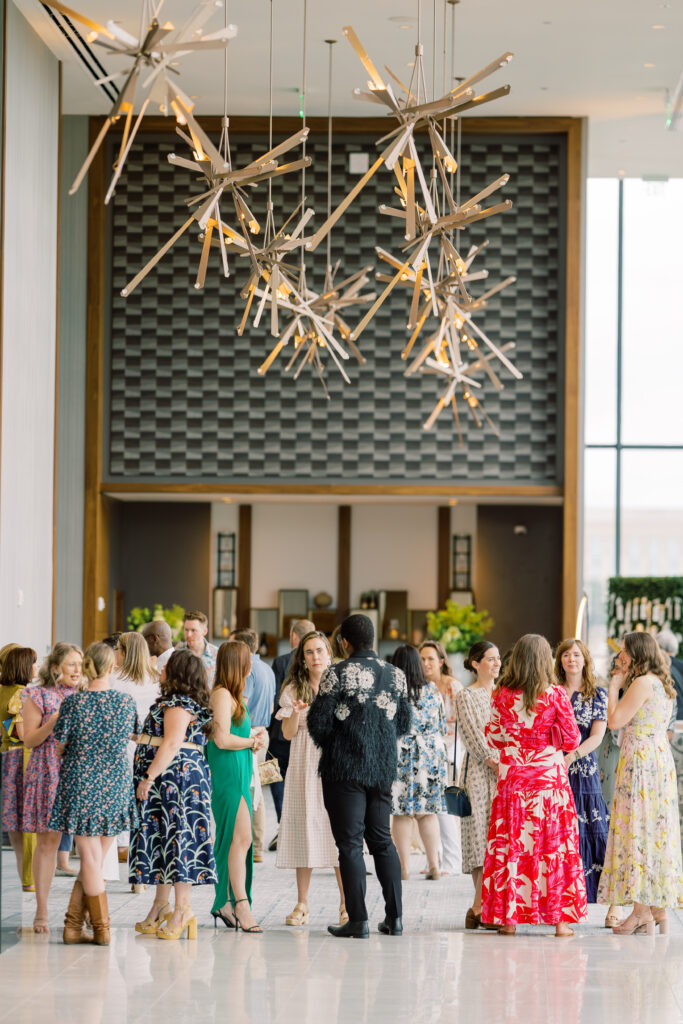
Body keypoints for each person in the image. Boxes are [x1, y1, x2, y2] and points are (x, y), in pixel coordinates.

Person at [307, 613, 411, 939]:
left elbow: (319, 724)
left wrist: (339, 742)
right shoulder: (395, 675)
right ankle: (394, 919)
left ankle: (358, 920)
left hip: (344, 769)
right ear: (373, 639)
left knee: (350, 845)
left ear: (344, 642)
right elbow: (404, 723)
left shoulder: (334, 674)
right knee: (382, 840)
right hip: (381, 768)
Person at [481, 634, 587, 936]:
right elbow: (572, 740)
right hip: (549, 781)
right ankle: (560, 922)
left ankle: (509, 920)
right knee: (553, 847)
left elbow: (494, 737)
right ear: (545, 660)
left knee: (513, 846)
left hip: (513, 779)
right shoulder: (555, 694)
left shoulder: (501, 693)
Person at [49, 642, 138, 945]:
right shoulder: (125, 702)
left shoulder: (73, 704)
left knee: (90, 859)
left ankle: (91, 928)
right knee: (95, 861)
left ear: (87, 666)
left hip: (80, 782)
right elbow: (130, 736)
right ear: (113, 667)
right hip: (115, 784)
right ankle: (86, 928)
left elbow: (59, 745)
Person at [597, 632, 683, 933]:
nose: (620, 655)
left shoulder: (642, 682)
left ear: (636, 654)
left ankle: (640, 912)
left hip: (641, 763)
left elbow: (615, 721)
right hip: (657, 759)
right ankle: (655, 911)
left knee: (637, 830)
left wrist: (613, 687)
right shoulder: (660, 683)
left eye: (624, 650)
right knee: (651, 829)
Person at [130, 650, 216, 940]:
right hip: (171, 782)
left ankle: (183, 910)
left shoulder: (179, 704)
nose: (161, 669)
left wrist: (148, 777)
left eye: (167, 666)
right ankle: (161, 904)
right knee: (163, 842)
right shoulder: (172, 702)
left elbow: (171, 743)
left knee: (179, 841)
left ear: (177, 673)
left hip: (176, 782)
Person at [275, 631, 346, 926]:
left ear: (329, 653)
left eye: (319, 651)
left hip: (335, 762)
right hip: (304, 762)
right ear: (302, 658)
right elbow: (288, 733)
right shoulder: (294, 688)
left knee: (340, 831)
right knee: (305, 827)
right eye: (309, 652)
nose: (315, 657)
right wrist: (295, 712)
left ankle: (346, 903)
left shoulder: (341, 685)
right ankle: (302, 902)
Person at [22, 642, 83, 933]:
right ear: (56, 667)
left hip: (75, 774)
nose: (77, 670)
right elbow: (30, 740)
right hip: (46, 773)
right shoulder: (37, 694)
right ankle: (42, 911)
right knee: (47, 843)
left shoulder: (83, 697)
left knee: (85, 844)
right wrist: (53, 722)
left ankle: (82, 915)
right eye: (71, 664)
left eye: (81, 665)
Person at [206, 641, 267, 934]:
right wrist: (251, 742)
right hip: (227, 774)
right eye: (248, 660)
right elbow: (221, 739)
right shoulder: (220, 695)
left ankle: (227, 902)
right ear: (237, 664)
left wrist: (251, 739)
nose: (252, 665)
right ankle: (239, 903)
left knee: (239, 840)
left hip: (238, 771)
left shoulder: (233, 696)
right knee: (237, 839)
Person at [555, 638, 611, 916]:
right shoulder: (551, 692)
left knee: (589, 825)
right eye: (566, 655)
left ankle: (591, 892)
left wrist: (571, 756)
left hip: (583, 768)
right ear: (560, 661)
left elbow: (598, 736)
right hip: (554, 768)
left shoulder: (598, 694)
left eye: (576, 654)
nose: (571, 659)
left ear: (585, 659)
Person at [390, 645, 447, 882]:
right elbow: (442, 725)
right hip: (430, 754)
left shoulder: (392, 690)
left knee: (401, 813)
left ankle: (403, 868)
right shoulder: (432, 690)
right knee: (428, 813)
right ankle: (433, 865)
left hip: (401, 752)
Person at [454, 641, 501, 929]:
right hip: (479, 774)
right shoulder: (466, 696)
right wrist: (499, 763)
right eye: (490, 659)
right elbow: (475, 740)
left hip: (506, 773)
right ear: (475, 663)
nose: (496, 664)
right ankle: (481, 905)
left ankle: (480, 907)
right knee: (479, 838)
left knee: (498, 838)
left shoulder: (506, 694)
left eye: (498, 659)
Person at [112, 632, 160, 863]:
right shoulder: (157, 680)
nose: (115, 653)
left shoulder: (115, 680)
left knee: (123, 797)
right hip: (151, 747)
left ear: (125, 652)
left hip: (123, 745)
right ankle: (143, 849)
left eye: (117, 649)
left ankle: (123, 846)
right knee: (145, 798)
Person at [231, 628, 276, 862]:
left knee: (249, 791)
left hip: (249, 737)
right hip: (263, 734)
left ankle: (251, 848)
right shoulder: (267, 669)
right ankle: (257, 846)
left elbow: (242, 706)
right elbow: (270, 708)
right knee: (258, 791)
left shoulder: (246, 670)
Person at [268, 619, 316, 840]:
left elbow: (277, 697)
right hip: (308, 732)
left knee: (278, 776)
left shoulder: (280, 661)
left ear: (294, 636)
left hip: (282, 730)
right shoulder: (320, 665)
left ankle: (283, 824)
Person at [419, 641, 463, 875]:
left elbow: (460, 724)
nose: (426, 663)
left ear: (441, 661)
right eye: (422, 659)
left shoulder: (451, 686)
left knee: (445, 807)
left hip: (449, 751)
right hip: (425, 752)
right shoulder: (421, 686)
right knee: (429, 808)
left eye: (430, 659)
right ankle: (431, 860)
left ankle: (452, 861)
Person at [0, 647, 36, 882]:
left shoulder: (3, 691)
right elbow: (23, 733)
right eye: (34, 663)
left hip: (5, 754)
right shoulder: (22, 695)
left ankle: (22, 874)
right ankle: (29, 877)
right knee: (28, 820)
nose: (37, 668)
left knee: (13, 819)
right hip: (21, 758)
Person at [177, 610, 218, 686]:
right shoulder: (177, 653)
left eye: (193, 630)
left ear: (204, 631)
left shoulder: (217, 654)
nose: (188, 635)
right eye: (186, 630)